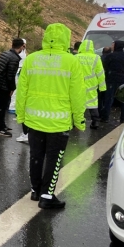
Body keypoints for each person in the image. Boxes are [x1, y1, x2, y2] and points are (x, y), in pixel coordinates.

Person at [15, 23, 86, 209]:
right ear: (66, 38)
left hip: (34, 119)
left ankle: (35, 190)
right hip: (59, 122)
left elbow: (21, 90)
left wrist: (21, 116)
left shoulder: (31, 59)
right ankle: (47, 195)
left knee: (35, 156)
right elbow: (77, 95)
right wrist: (79, 119)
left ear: (46, 37)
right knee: (54, 158)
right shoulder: (72, 62)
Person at [0, 38, 25, 137]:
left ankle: (2, 125)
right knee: (3, 107)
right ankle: (1, 129)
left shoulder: (4, 54)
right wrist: (12, 88)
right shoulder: (15, 59)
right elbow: (10, 75)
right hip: (5, 86)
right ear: (21, 47)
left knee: (2, 107)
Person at [75, 40, 106, 129]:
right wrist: (102, 87)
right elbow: (100, 73)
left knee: (77, 104)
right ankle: (95, 121)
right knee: (92, 104)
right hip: (91, 85)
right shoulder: (96, 58)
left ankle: (77, 122)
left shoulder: (76, 57)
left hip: (78, 84)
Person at [100, 40, 124, 124]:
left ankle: (105, 117)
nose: (112, 46)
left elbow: (105, 66)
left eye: (113, 44)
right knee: (123, 100)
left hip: (111, 79)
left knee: (109, 99)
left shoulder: (110, 56)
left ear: (116, 46)